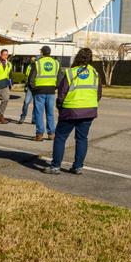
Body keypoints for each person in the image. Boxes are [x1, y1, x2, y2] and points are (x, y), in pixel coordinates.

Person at [44, 47, 102, 175]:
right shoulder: (95, 73)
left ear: (77, 57)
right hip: (88, 110)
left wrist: (60, 106)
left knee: (60, 137)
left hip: (70, 110)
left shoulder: (71, 72)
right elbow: (98, 94)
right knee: (82, 138)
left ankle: (55, 166)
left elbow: (62, 92)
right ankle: (78, 167)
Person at [27, 46, 61, 141]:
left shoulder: (37, 63)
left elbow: (31, 79)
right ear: (49, 53)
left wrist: (33, 90)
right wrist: (55, 87)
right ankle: (51, 134)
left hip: (39, 91)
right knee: (50, 113)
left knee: (39, 113)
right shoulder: (56, 63)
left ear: (42, 53)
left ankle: (39, 134)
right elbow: (59, 78)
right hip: (51, 91)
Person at [16, 56, 35, 123]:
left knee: (36, 104)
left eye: (34, 59)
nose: (32, 60)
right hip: (30, 87)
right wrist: (26, 85)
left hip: (37, 88)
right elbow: (27, 76)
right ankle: (23, 117)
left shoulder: (39, 66)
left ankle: (34, 119)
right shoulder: (29, 66)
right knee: (26, 103)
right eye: (32, 59)